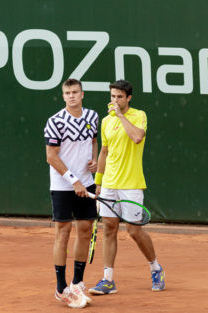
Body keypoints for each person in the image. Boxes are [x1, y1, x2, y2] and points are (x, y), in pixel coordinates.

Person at [88, 80, 165, 295]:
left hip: (131, 184)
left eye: (119, 97)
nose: (114, 101)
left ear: (128, 98)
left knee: (133, 230)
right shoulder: (105, 122)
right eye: (112, 96)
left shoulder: (139, 115)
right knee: (109, 229)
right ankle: (108, 279)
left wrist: (120, 116)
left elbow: (137, 137)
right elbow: (104, 152)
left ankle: (155, 268)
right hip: (110, 184)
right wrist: (99, 182)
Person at [44, 78, 99, 308]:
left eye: (75, 92)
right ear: (63, 96)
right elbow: (51, 156)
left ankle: (77, 283)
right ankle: (60, 288)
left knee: (85, 230)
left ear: (82, 94)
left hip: (86, 182)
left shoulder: (92, 117)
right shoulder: (56, 121)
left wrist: (94, 160)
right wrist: (74, 181)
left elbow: (94, 141)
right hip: (63, 185)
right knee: (63, 233)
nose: (71, 96)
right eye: (67, 93)